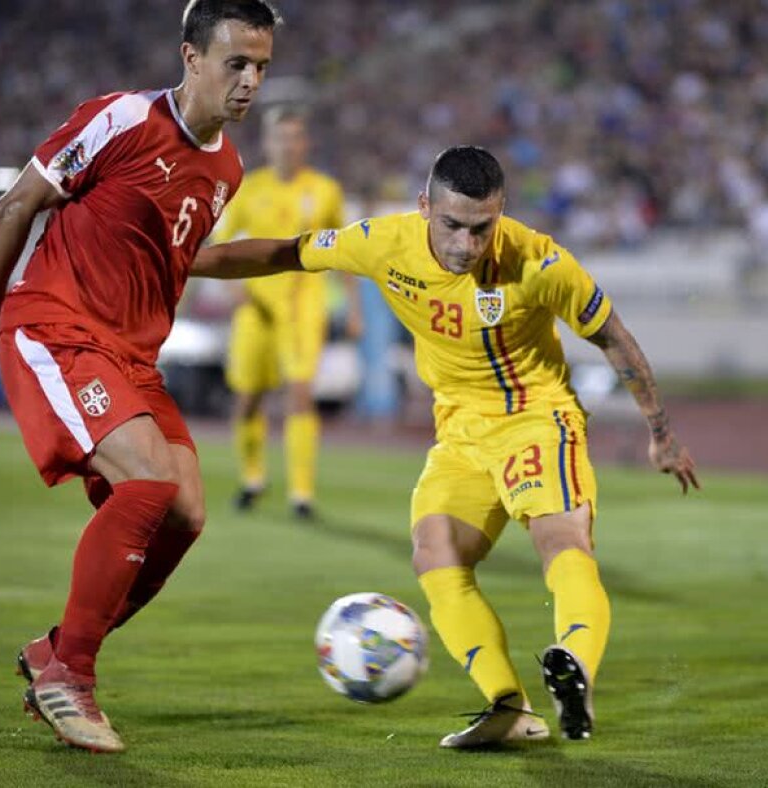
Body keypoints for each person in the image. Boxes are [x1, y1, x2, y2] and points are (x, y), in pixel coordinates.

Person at [192, 146, 700, 747]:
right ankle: (510, 706)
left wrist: (660, 433)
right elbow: (287, 251)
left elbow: (613, 338)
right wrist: (182, 262)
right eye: (451, 225)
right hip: (459, 431)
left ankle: (576, 667)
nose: (465, 243)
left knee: (560, 538)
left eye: (481, 228)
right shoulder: (384, 243)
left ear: (501, 213)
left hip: (537, 418)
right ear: (424, 206)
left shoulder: (539, 262)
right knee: (435, 552)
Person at [0, 0, 280, 753]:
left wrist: (294, 251)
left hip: (130, 355)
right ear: (191, 58)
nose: (251, 80)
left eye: (261, 66)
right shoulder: (122, 118)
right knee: (149, 484)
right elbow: (15, 206)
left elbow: (186, 257)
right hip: (57, 328)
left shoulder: (228, 166)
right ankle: (71, 679)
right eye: (237, 63)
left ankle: (54, 651)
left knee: (186, 514)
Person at [213, 106, 354, 519]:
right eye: (280, 137)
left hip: (302, 303)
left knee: (300, 394)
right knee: (247, 398)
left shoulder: (325, 190)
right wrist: (234, 289)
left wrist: (354, 307)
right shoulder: (250, 188)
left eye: (295, 137)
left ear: (305, 144)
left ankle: (301, 493)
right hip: (255, 306)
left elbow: (343, 249)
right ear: (267, 143)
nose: (287, 145)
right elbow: (223, 244)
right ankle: (253, 477)